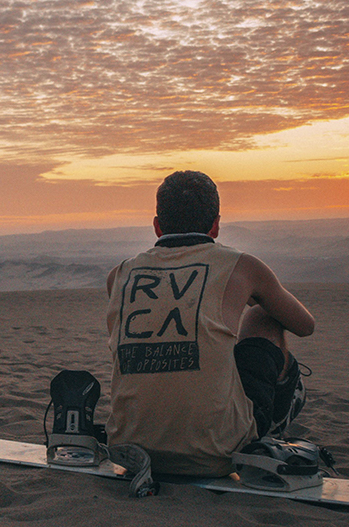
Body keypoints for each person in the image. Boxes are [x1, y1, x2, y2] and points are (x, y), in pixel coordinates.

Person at [105, 170, 315, 476]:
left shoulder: (119, 275)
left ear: (157, 225)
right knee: (262, 317)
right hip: (217, 454)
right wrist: (253, 293)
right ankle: (270, 425)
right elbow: (304, 325)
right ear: (215, 225)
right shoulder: (241, 266)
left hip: (131, 451)